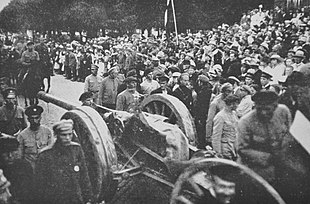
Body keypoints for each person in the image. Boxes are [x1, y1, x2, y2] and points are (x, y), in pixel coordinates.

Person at [237, 90, 291, 184]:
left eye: (267, 109)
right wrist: (269, 158)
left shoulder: (283, 112)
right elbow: (242, 149)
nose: (263, 113)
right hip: (255, 169)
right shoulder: (245, 122)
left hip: (281, 164)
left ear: (275, 106)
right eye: (259, 109)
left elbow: (289, 134)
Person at [34, 119, 93, 204]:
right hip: (54, 199)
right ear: (57, 135)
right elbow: (39, 185)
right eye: (64, 135)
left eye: (70, 134)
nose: (68, 138)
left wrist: (88, 199)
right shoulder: (45, 155)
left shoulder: (76, 149)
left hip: (75, 199)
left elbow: (84, 177)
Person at [17, 105, 53, 171]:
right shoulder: (22, 135)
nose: (34, 121)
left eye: (37, 118)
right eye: (32, 118)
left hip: (45, 168)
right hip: (30, 169)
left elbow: (51, 152)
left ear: (40, 118)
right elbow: (20, 156)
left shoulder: (47, 132)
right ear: (28, 119)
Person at [0, 134, 34, 204]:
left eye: (13, 151)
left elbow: (31, 189)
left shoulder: (24, 166)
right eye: (5, 152)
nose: (10, 155)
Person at [212, 94, 240, 160]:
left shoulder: (234, 114)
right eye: (236, 103)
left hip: (233, 147)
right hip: (225, 148)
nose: (237, 105)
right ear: (231, 104)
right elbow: (216, 136)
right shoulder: (220, 116)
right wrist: (218, 153)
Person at [194, 74, 213, 149]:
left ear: (201, 82)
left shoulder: (203, 92)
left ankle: (201, 145)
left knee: (201, 129)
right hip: (206, 113)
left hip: (202, 114)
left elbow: (200, 105)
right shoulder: (209, 90)